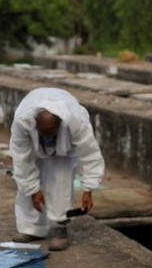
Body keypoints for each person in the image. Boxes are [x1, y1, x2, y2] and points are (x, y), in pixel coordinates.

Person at [9, 87, 105, 251]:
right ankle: (31, 229)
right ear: (35, 124)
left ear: (60, 125)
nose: (47, 138)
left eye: (51, 134)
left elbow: (89, 154)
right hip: (32, 145)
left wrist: (88, 189)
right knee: (26, 185)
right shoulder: (22, 120)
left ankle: (60, 228)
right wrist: (33, 190)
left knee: (60, 179)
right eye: (43, 133)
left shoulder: (75, 121)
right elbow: (21, 159)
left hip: (63, 150)